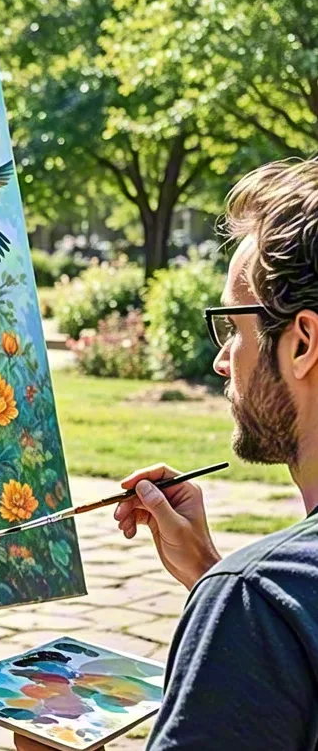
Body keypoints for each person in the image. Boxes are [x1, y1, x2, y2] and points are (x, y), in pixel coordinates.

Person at [113, 159, 318, 749]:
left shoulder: (258, 600)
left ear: (302, 342)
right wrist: (210, 573)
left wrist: (239, 596)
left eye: (232, 327)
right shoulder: (269, 606)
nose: (222, 360)